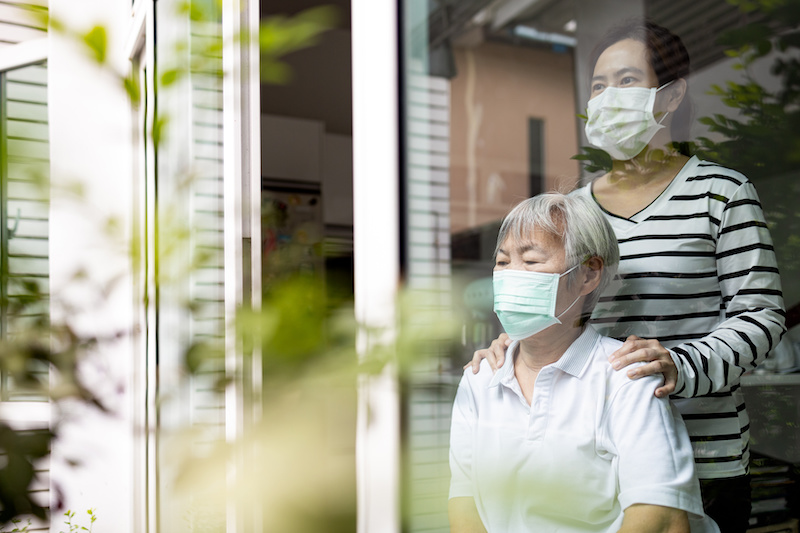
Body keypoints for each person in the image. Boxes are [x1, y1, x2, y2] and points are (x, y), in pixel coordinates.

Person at [468, 19, 786, 533]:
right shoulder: (570, 211)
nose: (607, 96)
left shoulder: (722, 193)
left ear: (672, 94)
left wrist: (679, 366)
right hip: (590, 454)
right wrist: (510, 346)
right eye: (598, 86)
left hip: (706, 454)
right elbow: (555, 309)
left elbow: (761, 316)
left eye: (627, 80)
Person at [449, 193, 717, 533]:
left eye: (531, 262)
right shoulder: (480, 377)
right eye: (502, 262)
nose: (511, 275)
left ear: (588, 275)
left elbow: (661, 520)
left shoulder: (626, 378)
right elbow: (464, 499)